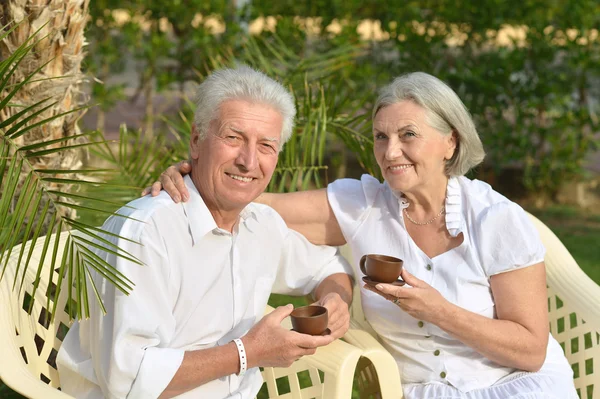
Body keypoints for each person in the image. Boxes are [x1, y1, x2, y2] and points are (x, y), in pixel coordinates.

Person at [149, 72, 578, 398]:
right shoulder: (363, 206)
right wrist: (188, 175)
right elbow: (252, 195)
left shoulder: (497, 220)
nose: (390, 152)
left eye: (408, 135)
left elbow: (529, 350)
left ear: (450, 141)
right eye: (380, 137)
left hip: (519, 385)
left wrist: (440, 311)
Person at [56, 66, 354, 399]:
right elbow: (129, 378)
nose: (248, 160)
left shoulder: (261, 224)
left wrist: (335, 301)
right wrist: (248, 353)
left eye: (266, 146)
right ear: (197, 141)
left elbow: (329, 267)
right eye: (234, 138)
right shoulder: (146, 232)